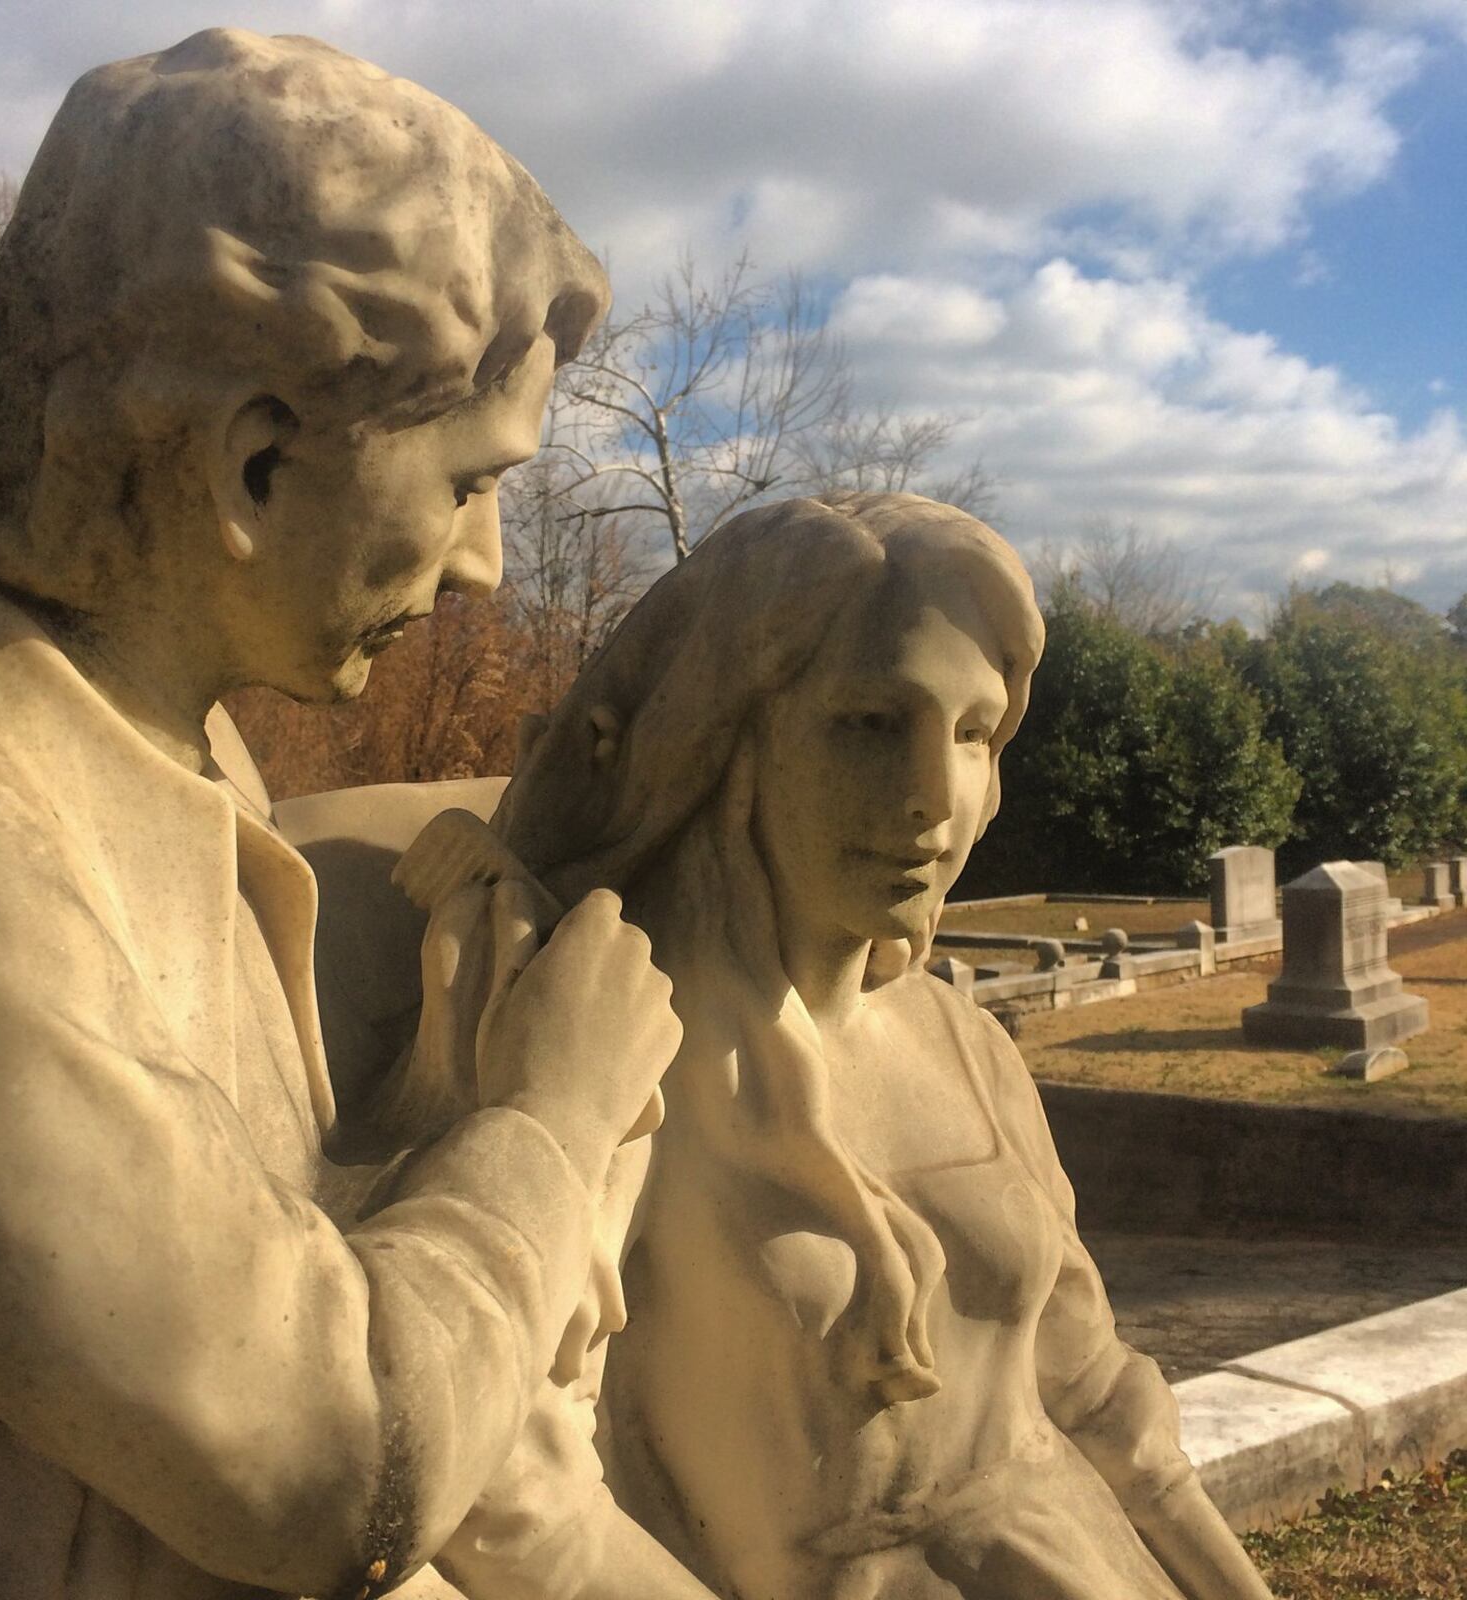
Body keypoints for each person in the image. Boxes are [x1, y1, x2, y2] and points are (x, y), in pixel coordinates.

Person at [0, 30, 682, 1600]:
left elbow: (261, 1248)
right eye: (465, 485)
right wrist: (550, 1119)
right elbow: (326, 1462)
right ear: (252, 464)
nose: (485, 570)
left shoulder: (181, 753)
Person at [423, 491, 1274, 1599]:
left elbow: (1100, 1397)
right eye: (873, 722)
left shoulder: (964, 1043)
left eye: (973, 734)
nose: (936, 798)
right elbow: (516, 1486)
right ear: (731, 736)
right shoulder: (607, 1044)